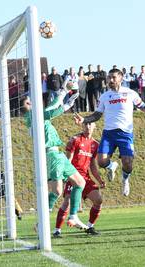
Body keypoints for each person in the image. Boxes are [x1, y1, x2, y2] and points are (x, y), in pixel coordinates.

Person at [74, 68, 145, 197]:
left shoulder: (130, 93)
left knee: (128, 164)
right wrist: (84, 119)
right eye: (109, 78)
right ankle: (111, 166)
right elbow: (97, 115)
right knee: (101, 162)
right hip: (109, 133)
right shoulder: (104, 96)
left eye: (113, 77)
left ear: (121, 78)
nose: (110, 80)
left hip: (125, 134)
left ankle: (125, 179)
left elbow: (144, 107)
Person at [21, 87, 88, 229]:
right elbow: (52, 111)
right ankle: (42, 220)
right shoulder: (34, 116)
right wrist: (67, 104)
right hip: (52, 155)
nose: (32, 102)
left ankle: (73, 216)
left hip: (57, 155)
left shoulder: (35, 117)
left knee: (79, 183)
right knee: (58, 191)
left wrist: (63, 92)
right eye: (29, 102)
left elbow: (51, 107)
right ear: (26, 106)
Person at [53, 122, 105, 237]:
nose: (87, 127)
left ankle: (90, 226)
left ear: (94, 126)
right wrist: (66, 176)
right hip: (74, 176)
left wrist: (99, 179)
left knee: (98, 200)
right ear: (82, 126)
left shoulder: (95, 144)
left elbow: (92, 165)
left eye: (90, 125)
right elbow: (68, 160)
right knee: (67, 202)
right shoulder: (75, 140)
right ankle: (57, 230)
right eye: (85, 124)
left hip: (85, 177)